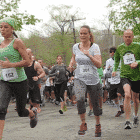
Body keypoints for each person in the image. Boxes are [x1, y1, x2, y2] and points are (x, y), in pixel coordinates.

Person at [0, 17, 37, 139]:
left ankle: (31, 113)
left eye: (6, 27)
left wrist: (10, 65)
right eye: (1, 27)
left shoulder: (17, 42)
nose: (2, 29)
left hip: (20, 81)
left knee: (21, 112)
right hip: (5, 80)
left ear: (12, 28)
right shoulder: (0, 44)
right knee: (1, 108)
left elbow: (27, 62)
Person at [68, 25, 102, 137]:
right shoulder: (75, 47)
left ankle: (97, 124)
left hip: (93, 79)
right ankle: (83, 123)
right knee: (80, 98)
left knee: (95, 103)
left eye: (85, 33)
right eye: (81, 33)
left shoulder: (95, 47)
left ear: (89, 34)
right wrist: (71, 64)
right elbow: (73, 58)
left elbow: (99, 64)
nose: (82, 35)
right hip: (79, 78)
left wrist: (89, 56)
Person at [112, 29, 140, 129]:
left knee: (136, 99)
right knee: (127, 95)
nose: (127, 38)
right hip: (125, 75)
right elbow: (116, 60)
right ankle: (127, 121)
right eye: (126, 36)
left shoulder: (138, 46)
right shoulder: (120, 48)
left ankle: (135, 116)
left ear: (133, 37)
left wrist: (137, 62)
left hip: (136, 76)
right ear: (123, 37)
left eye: (129, 36)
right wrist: (114, 70)